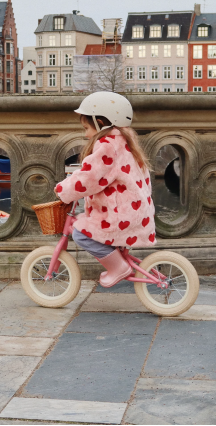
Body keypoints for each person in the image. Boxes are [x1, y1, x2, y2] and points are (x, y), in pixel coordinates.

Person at [55, 92, 156, 288]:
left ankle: (118, 268)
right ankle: (119, 263)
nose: (85, 134)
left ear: (100, 122)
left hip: (119, 217)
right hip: (134, 212)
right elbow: (92, 173)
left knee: (81, 234)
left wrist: (62, 189)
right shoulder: (125, 141)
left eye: (86, 128)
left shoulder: (107, 146)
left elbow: (89, 178)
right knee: (91, 230)